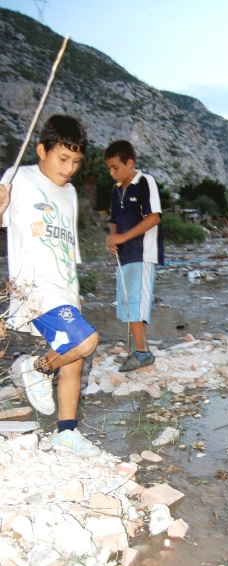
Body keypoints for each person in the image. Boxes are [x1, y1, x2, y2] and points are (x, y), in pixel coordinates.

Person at [0, 114, 100, 457]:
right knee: (86, 341)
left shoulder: (70, 193)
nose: (69, 168)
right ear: (42, 150)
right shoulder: (18, 179)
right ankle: (34, 368)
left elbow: (68, 247)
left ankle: (66, 433)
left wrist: (76, 295)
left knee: (73, 360)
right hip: (34, 288)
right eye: (62, 158)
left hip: (63, 287)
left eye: (75, 161)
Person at [104, 140, 163, 372]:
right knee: (128, 301)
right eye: (108, 168)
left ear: (130, 163)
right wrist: (113, 239)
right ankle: (138, 350)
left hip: (142, 253)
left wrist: (124, 237)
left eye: (115, 167)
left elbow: (154, 217)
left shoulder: (144, 182)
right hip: (124, 256)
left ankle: (142, 353)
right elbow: (113, 221)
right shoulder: (116, 190)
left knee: (137, 302)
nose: (112, 173)